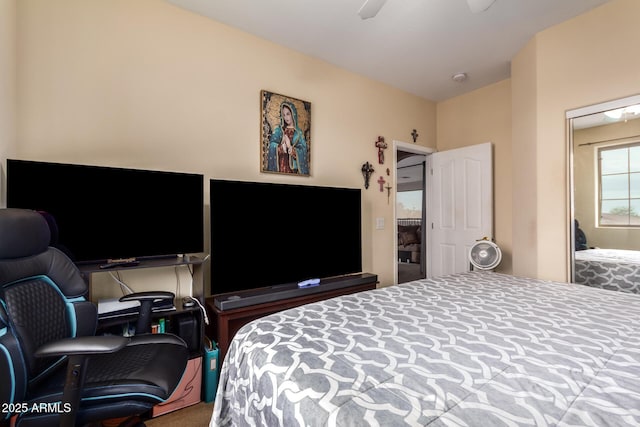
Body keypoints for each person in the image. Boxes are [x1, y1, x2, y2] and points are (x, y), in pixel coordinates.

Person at [266, 101, 309, 174]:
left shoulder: (299, 133)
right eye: (284, 115)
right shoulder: (279, 130)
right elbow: (271, 145)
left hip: (292, 170)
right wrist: (281, 148)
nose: (286, 117)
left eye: (288, 114)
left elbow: (303, 151)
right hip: (281, 166)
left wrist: (290, 147)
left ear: (293, 114)